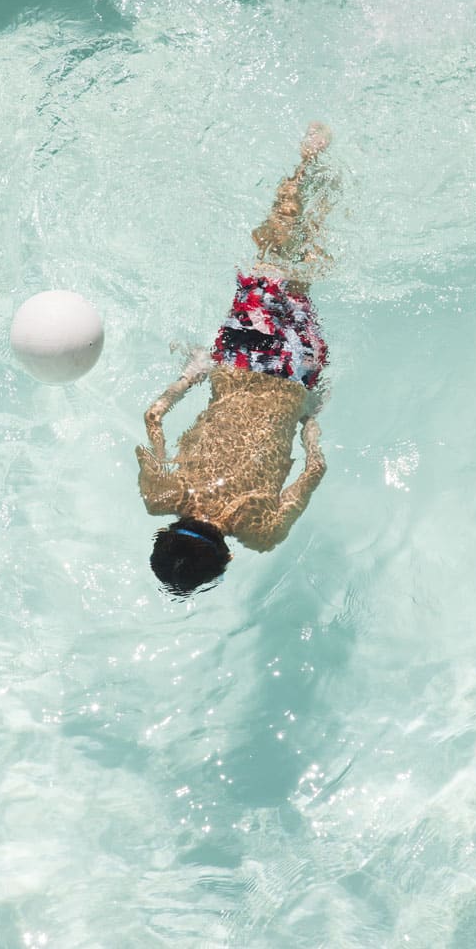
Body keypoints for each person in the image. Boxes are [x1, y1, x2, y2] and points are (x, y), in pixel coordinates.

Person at [136, 122, 335, 595]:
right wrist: (192, 373)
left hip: (295, 375)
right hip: (241, 362)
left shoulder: (262, 530)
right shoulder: (161, 495)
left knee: (308, 275)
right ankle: (308, 163)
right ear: (163, 538)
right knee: (270, 254)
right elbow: (153, 416)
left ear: (224, 560)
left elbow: (315, 468)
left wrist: (308, 418)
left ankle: (328, 196)